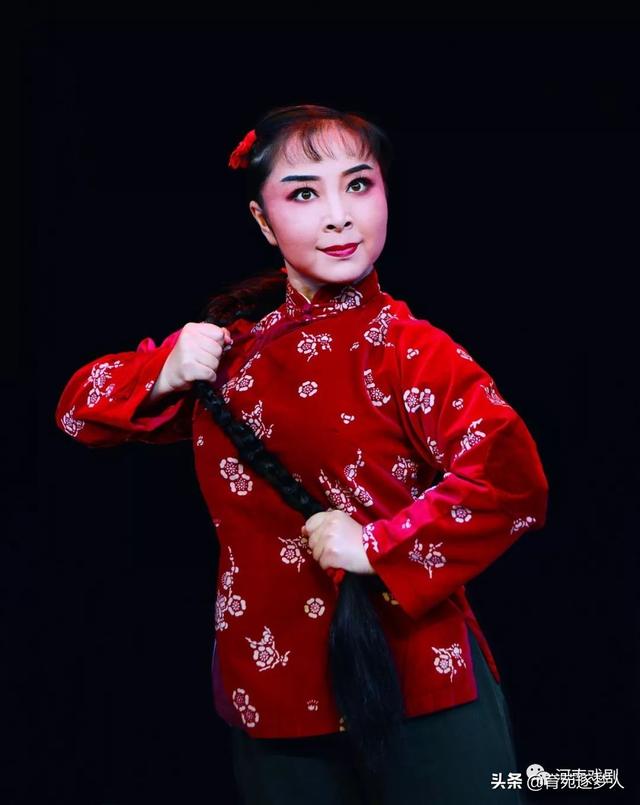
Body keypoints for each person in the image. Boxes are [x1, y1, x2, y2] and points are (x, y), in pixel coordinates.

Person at [55, 104, 548, 804]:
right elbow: (77, 415)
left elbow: (510, 481)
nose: (340, 217)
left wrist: (377, 545)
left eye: (359, 185)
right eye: (305, 194)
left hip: (417, 679)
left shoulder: (410, 348)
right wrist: (163, 370)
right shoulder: (235, 354)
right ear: (263, 222)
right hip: (272, 686)